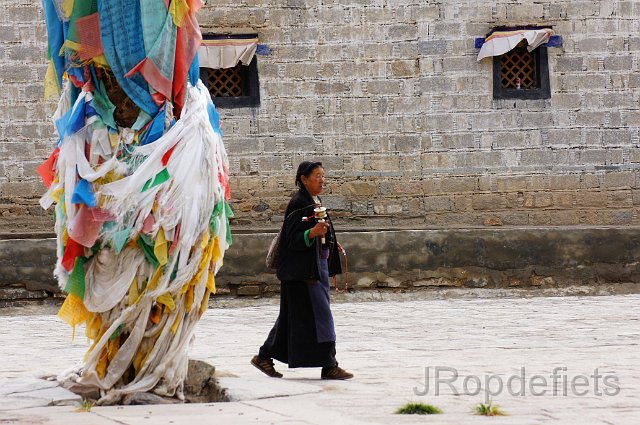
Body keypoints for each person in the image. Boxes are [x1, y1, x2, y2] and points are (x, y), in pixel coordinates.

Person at [251, 161, 353, 380]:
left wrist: (328, 242)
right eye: (317, 176)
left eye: (323, 176)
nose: (322, 180)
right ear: (304, 179)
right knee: (321, 318)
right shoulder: (299, 204)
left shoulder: (315, 201)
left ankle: (264, 356)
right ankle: (329, 365)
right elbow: (293, 239)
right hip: (305, 273)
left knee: (291, 318)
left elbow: (320, 232)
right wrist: (313, 233)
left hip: (315, 269)